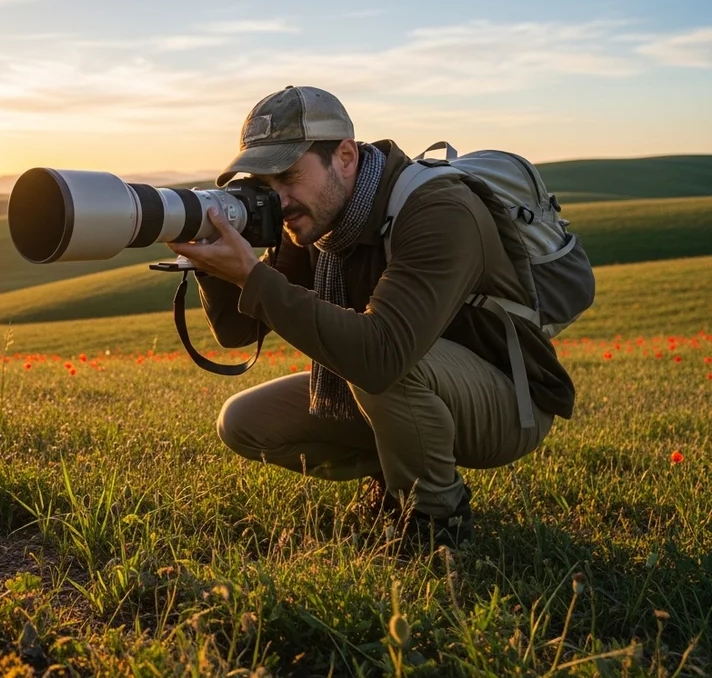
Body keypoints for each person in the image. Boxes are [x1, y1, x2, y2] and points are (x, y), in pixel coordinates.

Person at [168, 85, 575, 549]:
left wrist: (253, 276)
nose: (278, 200)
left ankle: (437, 524)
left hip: (507, 401)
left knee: (386, 366)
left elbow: (381, 357)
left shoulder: (438, 210)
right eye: (265, 186)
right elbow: (239, 330)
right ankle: (395, 465)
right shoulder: (319, 223)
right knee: (243, 421)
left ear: (344, 156)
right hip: (411, 382)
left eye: (289, 177)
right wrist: (214, 264)